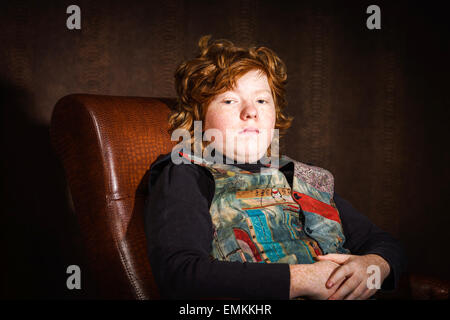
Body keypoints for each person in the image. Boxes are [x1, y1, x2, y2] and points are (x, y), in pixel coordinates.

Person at [144, 35, 407, 300]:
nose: (250, 112)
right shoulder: (186, 174)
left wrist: (372, 265)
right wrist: (303, 279)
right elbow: (181, 275)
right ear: (199, 117)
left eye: (261, 100)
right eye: (229, 100)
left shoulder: (303, 176)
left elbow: (384, 244)